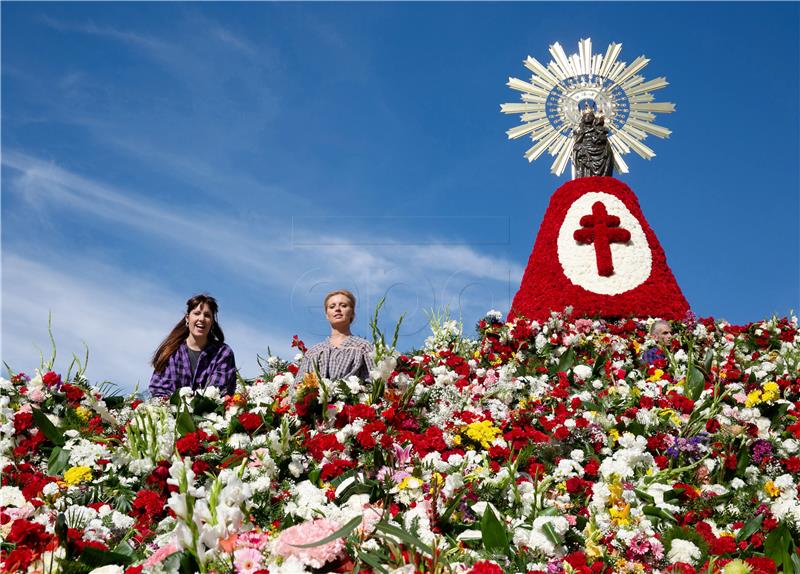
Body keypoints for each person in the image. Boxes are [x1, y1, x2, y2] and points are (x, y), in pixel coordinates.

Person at [149, 294, 237, 397]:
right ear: (187, 318)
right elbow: (160, 391)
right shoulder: (171, 351)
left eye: (207, 315)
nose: (201, 319)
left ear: (212, 322)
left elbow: (217, 392)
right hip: (172, 412)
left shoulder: (223, 353)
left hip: (210, 412)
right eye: (197, 313)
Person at [294, 289, 374, 387]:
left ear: (352, 313)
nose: (337, 309)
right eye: (332, 306)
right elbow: (297, 386)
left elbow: (373, 382)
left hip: (351, 401)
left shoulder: (363, 347)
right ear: (327, 315)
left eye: (343, 305)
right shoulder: (314, 351)